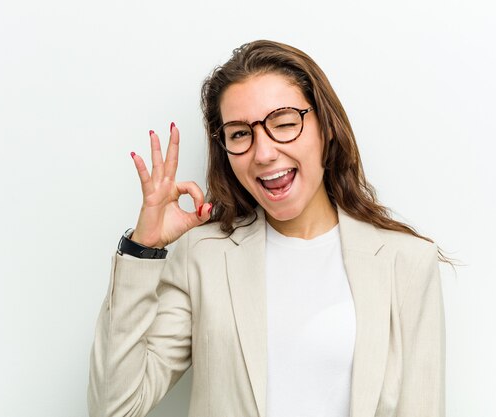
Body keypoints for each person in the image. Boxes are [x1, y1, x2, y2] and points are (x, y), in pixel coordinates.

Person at [88, 40, 450, 417]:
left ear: (326, 127)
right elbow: (114, 407)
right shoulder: (204, 255)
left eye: (284, 124)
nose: (263, 153)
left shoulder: (406, 262)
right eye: (240, 134)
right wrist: (143, 248)